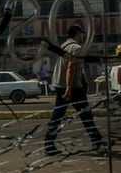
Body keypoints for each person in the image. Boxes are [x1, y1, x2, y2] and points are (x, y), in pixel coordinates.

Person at [44, 24, 105, 156]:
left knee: (58, 116)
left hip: (60, 85)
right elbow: (71, 68)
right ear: (77, 33)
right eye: (82, 33)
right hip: (72, 88)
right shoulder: (76, 48)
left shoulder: (64, 46)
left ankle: (48, 144)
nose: (83, 36)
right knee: (86, 115)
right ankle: (98, 143)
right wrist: (68, 89)